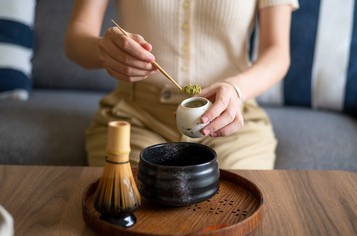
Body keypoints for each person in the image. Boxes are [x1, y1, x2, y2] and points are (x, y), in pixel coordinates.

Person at [65, 0, 299, 169]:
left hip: (230, 120)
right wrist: (104, 50)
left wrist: (236, 88)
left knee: (238, 204)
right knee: (130, 202)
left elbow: (277, 52)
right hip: (136, 117)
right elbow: (75, 39)